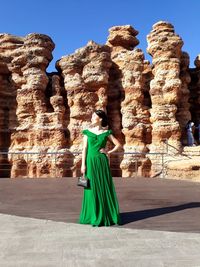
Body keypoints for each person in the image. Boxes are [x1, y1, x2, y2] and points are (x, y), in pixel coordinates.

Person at [79, 109, 122, 227]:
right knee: (91, 187)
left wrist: (108, 152)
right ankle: (93, 214)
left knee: (103, 186)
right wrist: (83, 164)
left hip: (102, 161)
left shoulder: (106, 132)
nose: (92, 117)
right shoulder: (87, 132)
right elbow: (84, 149)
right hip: (91, 161)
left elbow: (118, 144)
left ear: (100, 119)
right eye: (92, 116)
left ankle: (106, 214)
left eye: (94, 116)